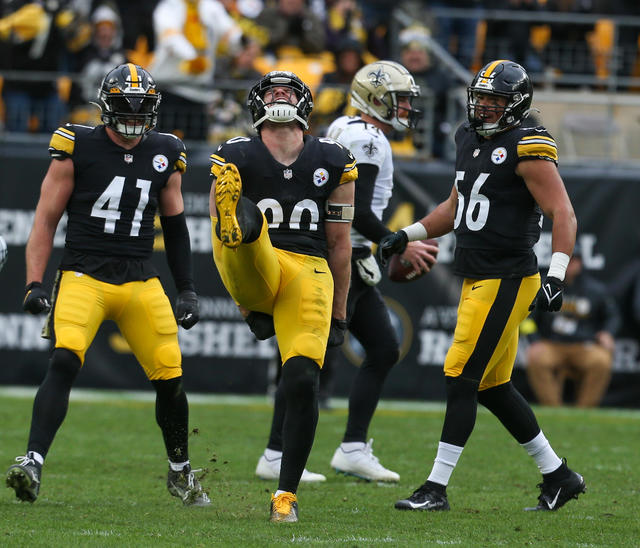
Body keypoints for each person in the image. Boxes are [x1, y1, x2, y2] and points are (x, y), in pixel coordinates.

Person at [379, 60, 586, 512]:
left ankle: (435, 488)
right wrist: (409, 233)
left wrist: (555, 275)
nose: (485, 107)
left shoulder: (528, 146)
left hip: (509, 277)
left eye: (495, 100)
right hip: (478, 274)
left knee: (459, 375)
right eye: (482, 98)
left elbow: (563, 213)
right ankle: (560, 476)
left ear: (516, 105)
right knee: (491, 386)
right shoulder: (467, 138)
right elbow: (456, 205)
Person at [5, 63, 209, 507]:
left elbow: (175, 228)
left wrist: (187, 288)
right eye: (125, 108)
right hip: (83, 273)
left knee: (170, 376)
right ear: (105, 107)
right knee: (64, 358)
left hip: (139, 277)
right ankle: (33, 462)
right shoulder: (77, 145)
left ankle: (180, 471)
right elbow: (45, 219)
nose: (135, 119)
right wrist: (34, 282)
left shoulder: (166, 150)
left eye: (143, 110)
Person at [255, 60, 437, 485]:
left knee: (383, 347)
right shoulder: (368, 137)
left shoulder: (343, 127)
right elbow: (355, 214)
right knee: (308, 359)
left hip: (343, 253)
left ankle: (352, 448)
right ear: (376, 100)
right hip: (342, 256)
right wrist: (399, 240)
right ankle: (277, 452)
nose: (407, 108)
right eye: (400, 100)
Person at [209, 70, 356, 522]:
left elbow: (339, 243)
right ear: (256, 104)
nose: (279, 96)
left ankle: (285, 495)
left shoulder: (332, 158)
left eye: (287, 91)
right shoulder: (236, 154)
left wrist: (340, 312)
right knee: (240, 225)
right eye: (271, 91)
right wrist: (242, 299)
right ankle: (248, 268)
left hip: (309, 271)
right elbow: (215, 233)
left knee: (301, 381)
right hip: (258, 258)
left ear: (305, 105)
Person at [526, 242, 620, 407]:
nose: (570, 265)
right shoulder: (545, 286)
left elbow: (613, 316)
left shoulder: (595, 289)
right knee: (535, 357)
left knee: (602, 360)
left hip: (584, 345)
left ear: (580, 263)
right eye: (567, 260)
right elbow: (526, 319)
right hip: (551, 344)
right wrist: (534, 341)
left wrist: (607, 333)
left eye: (574, 260)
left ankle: (585, 410)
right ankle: (553, 409)